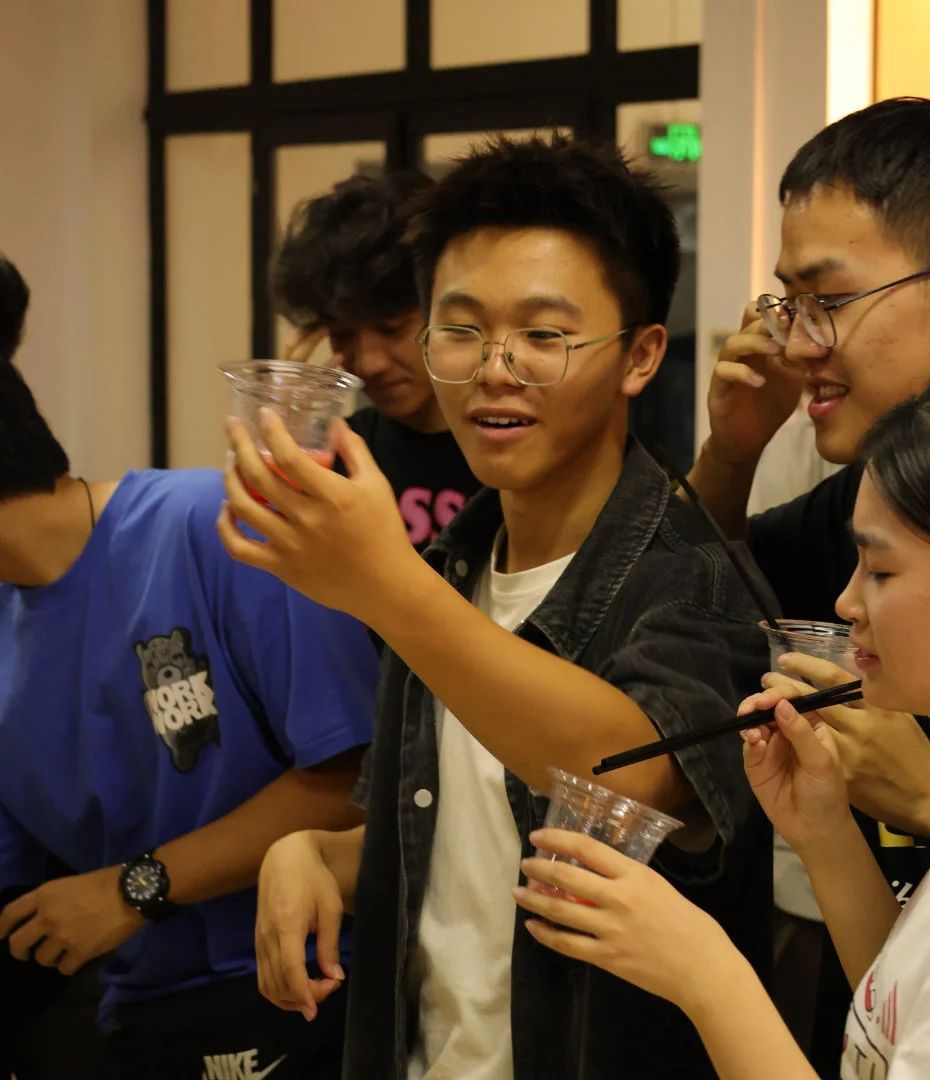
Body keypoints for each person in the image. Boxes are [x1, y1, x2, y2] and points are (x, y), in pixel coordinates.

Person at [220, 135, 777, 1080]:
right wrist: (311, 852)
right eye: (462, 329)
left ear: (641, 356)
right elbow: (452, 844)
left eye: (545, 336)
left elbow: (626, 773)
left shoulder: (697, 584)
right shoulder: (453, 568)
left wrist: (383, 585)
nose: (494, 368)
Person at [517, 352, 930, 1078]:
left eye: (881, 571)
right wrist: (823, 832)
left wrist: (704, 973)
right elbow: (909, 1018)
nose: (847, 604)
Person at [685, 96, 930, 1064]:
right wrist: (731, 454)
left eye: (828, 302)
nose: (798, 344)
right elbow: (683, 619)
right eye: (786, 306)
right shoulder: (850, 500)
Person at [0, 253, 381, 1079]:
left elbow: (355, 775)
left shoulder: (215, 525)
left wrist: (134, 888)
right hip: (139, 1013)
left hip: (314, 980)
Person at [273, 170, 480, 549]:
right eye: (342, 335)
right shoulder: (341, 452)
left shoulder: (505, 447)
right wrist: (290, 434)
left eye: (391, 329)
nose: (369, 365)